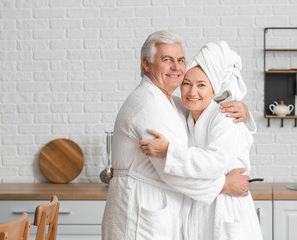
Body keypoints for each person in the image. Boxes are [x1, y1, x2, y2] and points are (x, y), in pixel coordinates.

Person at [101, 30, 253, 240]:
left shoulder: (170, 102)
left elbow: (201, 106)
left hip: (161, 209)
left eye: (181, 60)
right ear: (147, 64)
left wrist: (242, 109)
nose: (176, 67)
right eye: (167, 60)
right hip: (140, 212)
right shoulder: (149, 104)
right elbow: (170, 171)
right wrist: (224, 185)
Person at [139, 41, 263, 239]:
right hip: (200, 205)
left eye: (201, 85)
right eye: (186, 84)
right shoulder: (185, 111)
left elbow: (214, 163)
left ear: (214, 90)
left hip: (228, 207)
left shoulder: (226, 116)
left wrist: (168, 151)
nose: (192, 92)